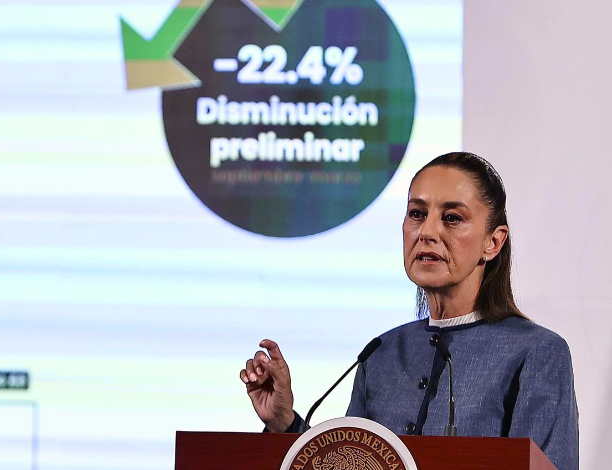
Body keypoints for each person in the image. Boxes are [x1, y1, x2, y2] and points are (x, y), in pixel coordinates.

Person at [239, 152, 579, 470]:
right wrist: (284, 422)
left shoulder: (537, 353)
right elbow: (349, 462)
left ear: (493, 242)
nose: (427, 232)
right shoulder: (381, 353)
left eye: (452, 218)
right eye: (417, 214)